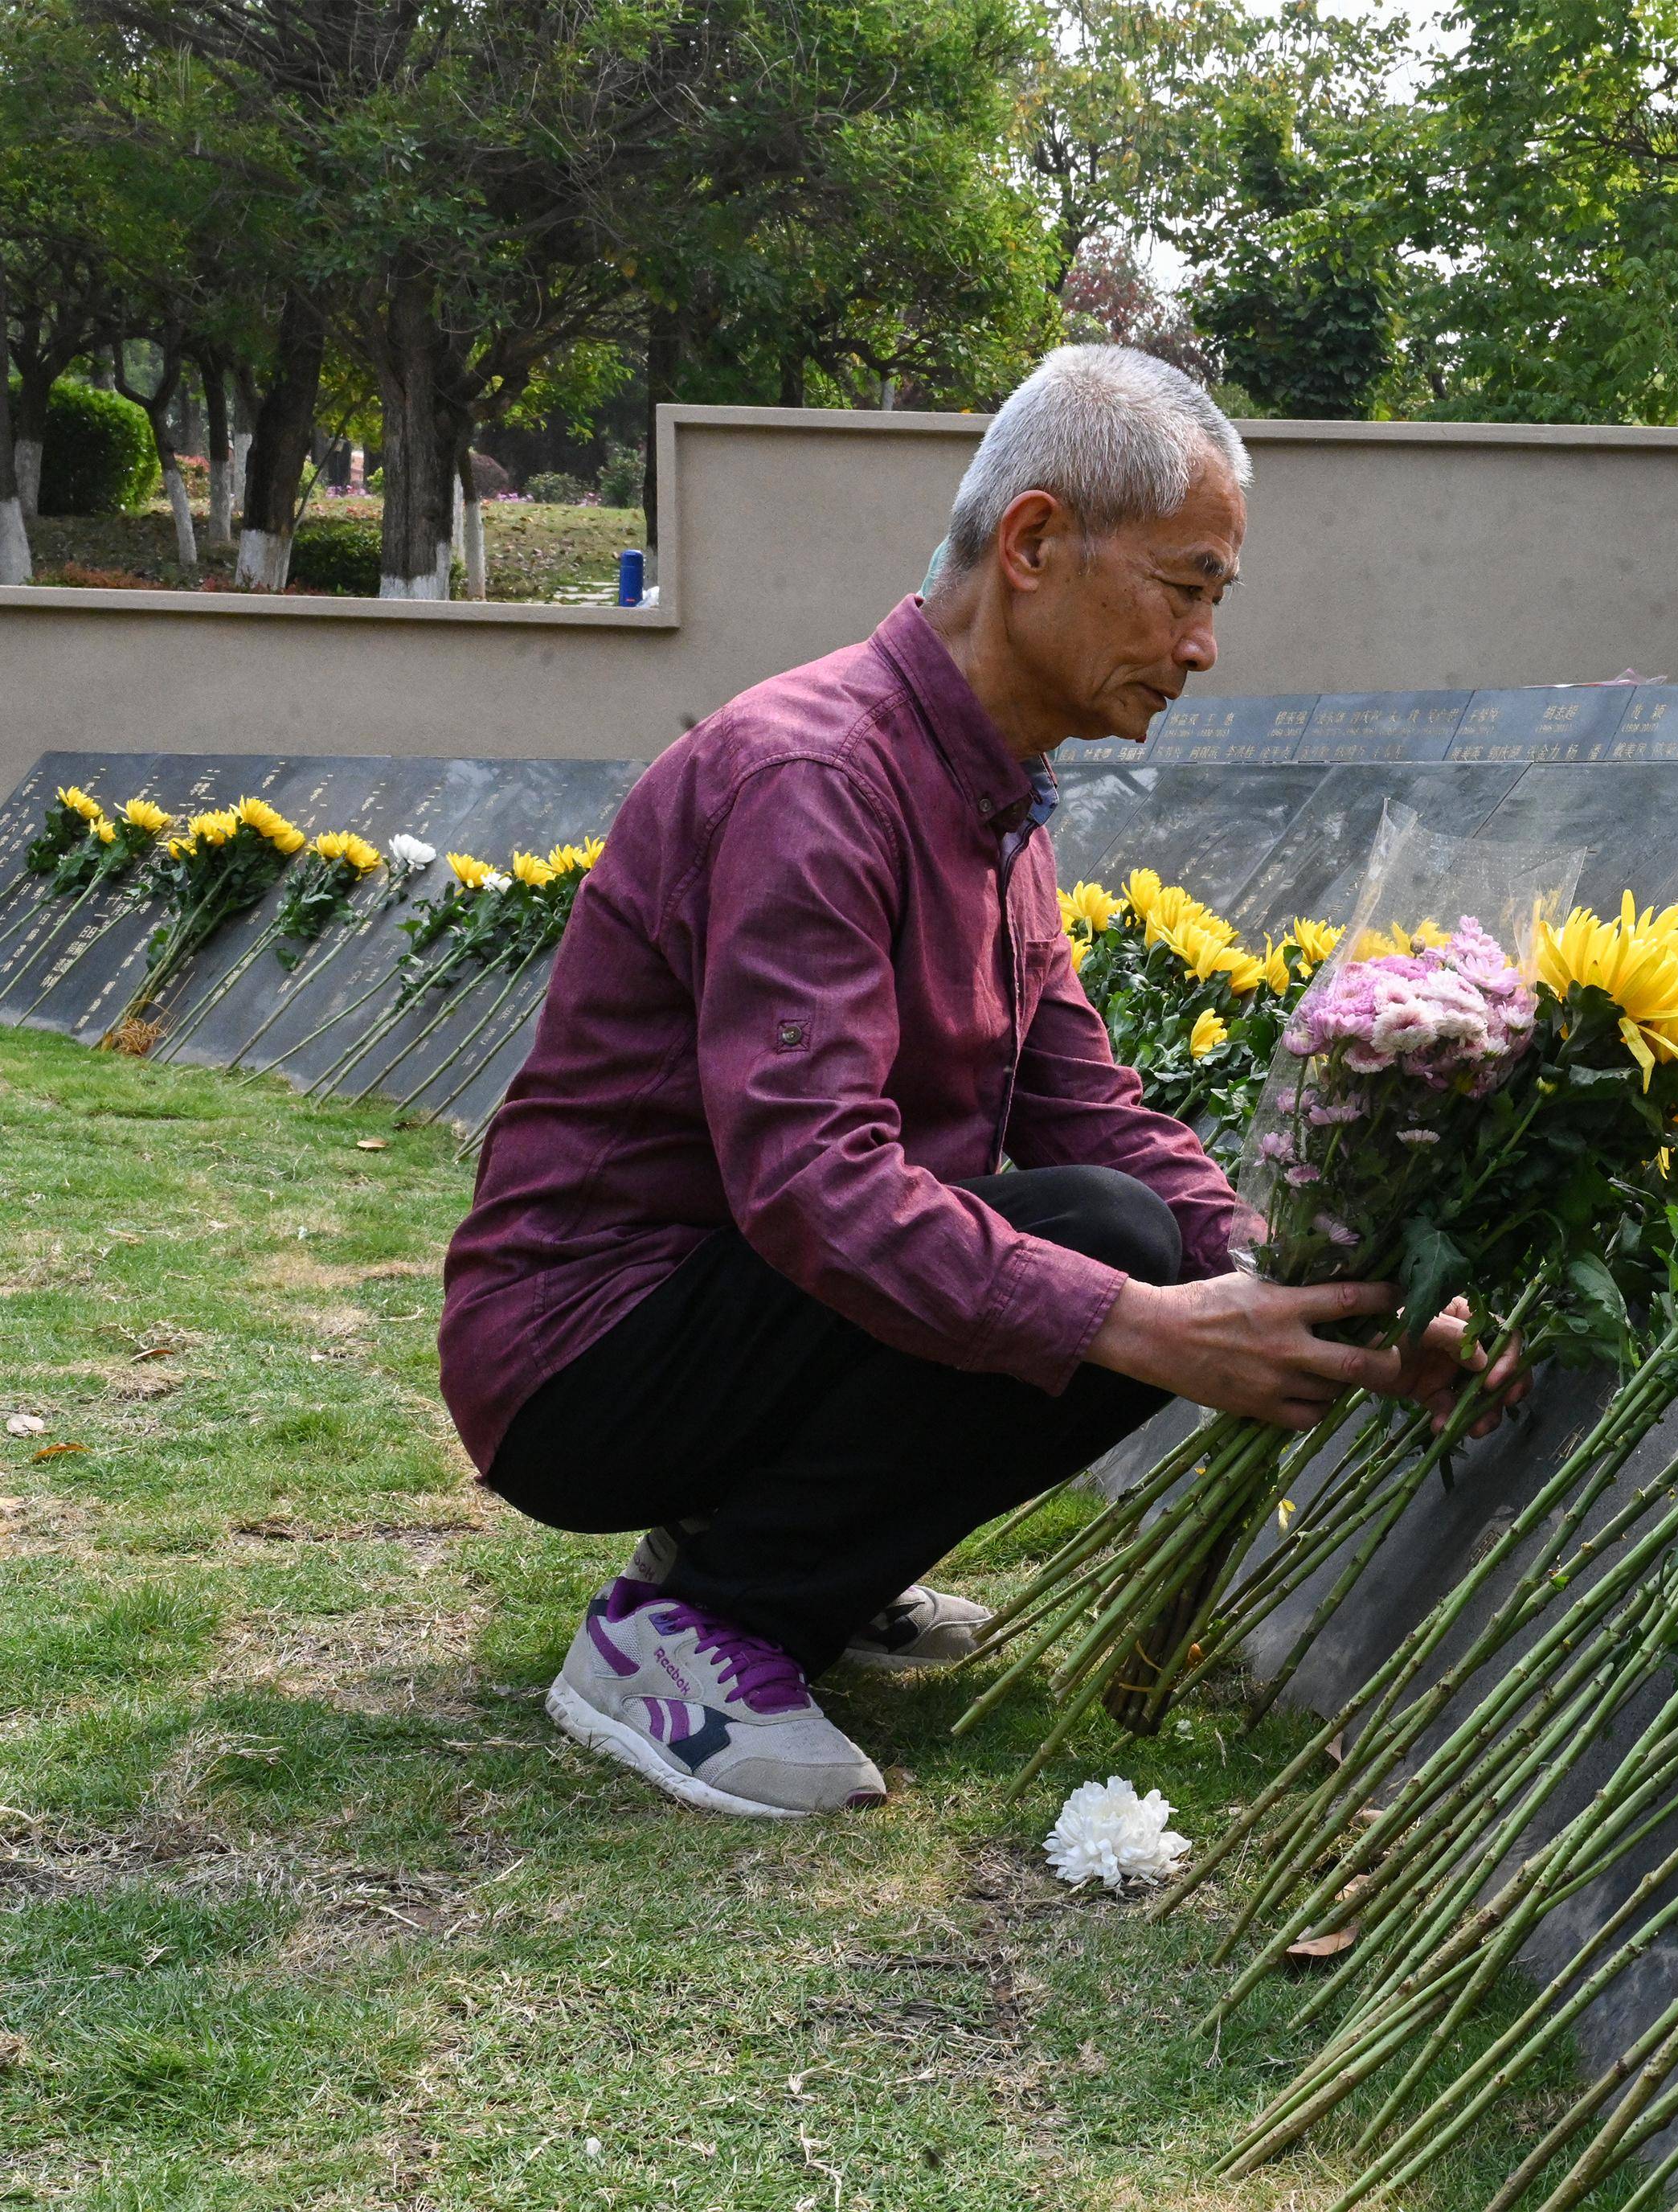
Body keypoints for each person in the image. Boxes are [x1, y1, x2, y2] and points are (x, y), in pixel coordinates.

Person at [438, 346, 1524, 1819]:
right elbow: (812, 1184)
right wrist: (1144, 1322)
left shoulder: (988, 797)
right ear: (1033, 545)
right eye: (1187, 587)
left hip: (721, 1319)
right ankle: (694, 1632)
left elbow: (1088, 1105)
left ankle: (783, 1558)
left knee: (1126, 1225)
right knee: (1106, 1257)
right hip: (584, 1351)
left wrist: (1316, 1297)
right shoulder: (815, 781)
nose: (1204, 644)